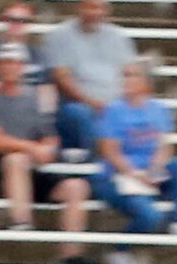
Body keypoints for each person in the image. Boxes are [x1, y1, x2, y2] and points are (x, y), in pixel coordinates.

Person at [0, 37, 86, 258]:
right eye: (5, 62)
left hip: (29, 169)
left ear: (22, 66)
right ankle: (21, 221)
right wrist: (31, 147)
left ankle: (71, 254)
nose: (10, 67)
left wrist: (46, 149)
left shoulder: (35, 99)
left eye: (14, 62)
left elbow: (49, 136)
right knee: (16, 160)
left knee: (76, 187)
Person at [93, 59, 177, 242]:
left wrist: (153, 172)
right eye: (125, 75)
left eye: (132, 75)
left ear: (146, 82)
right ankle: (120, 250)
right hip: (120, 176)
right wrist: (137, 175)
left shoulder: (159, 109)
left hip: (150, 173)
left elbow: (164, 146)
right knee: (151, 217)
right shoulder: (114, 110)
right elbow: (110, 152)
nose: (126, 80)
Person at [42, 0, 137, 156]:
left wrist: (122, 104)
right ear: (79, 7)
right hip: (79, 104)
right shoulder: (60, 35)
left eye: (101, 8)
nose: (96, 13)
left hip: (117, 105)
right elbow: (62, 78)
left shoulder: (118, 36)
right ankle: (101, 163)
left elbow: (131, 73)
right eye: (91, 7)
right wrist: (94, 104)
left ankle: (134, 163)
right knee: (79, 113)